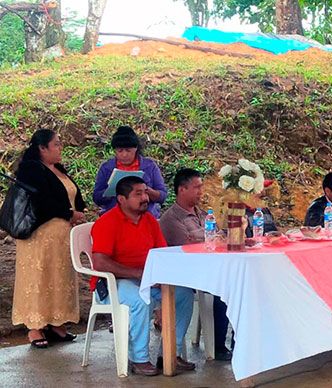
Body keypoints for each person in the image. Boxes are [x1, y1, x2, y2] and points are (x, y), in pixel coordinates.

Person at [91, 176, 195, 376]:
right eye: (138, 194)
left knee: (183, 295)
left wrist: (159, 276)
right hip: (113, 284)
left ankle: (169, 354)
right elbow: (100, 262)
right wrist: (138, 274)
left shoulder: (149, 220)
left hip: (146, 279)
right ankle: (139, 359)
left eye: (146, 192)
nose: (145, 197)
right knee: (141, 301)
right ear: (121, 199)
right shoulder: (107, 222)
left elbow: (162, 253)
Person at [12, 129, 86, 348]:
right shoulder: (30, 169)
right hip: (39, 237)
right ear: (42, 148)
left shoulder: (58, 169)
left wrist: (78, 209)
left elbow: (69, 194)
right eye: (56, 144)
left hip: (62, 238)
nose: (60, 147)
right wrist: (69, 214)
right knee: (39, 278)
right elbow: (41, 200)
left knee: (59, 279)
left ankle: (57, 324)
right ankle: (35, 328)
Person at [159, 169, 234, 361]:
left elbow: (219, 236)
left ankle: (237, 341)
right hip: (186, 273)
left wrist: (210, 238)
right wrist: (209, 239)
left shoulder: (202, 214)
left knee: (238, 283)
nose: (201, 191)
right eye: (197, 187)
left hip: (210, 267)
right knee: (222, 291)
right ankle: (217, 346)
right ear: (182, 189)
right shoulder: (171, 219)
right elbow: (188, 246)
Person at [93, 125, 167, 219]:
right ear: (114, 150)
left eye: (128, 150)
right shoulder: (107, 168)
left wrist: (147, 191)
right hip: (115, 218)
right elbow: (96, 198)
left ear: (136, 148)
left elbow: (162, 196)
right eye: (120, 151)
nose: (124, 155)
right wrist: (111, 191)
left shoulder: (149, 166)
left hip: (145, 217)